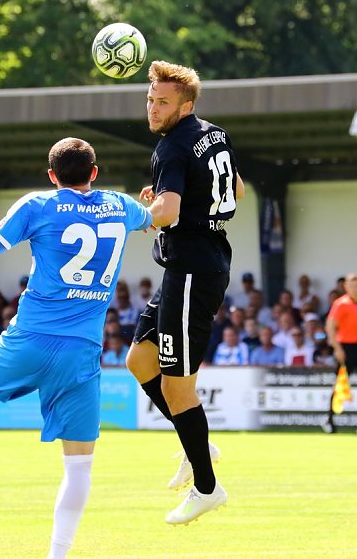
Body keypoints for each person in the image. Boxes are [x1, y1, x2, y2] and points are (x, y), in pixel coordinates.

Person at [0, 138, 151, 559]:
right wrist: (151, 207)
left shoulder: (38, 205)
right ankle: (57, 555)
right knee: (79, 465)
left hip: (29, 337)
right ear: (94, 173)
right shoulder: (120, 206)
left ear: (51, 176)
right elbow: (155, 217)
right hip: (81, 350)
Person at [125, 61, 244, 526]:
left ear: (186, 106)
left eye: (163, 103)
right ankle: (198, 444)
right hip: (192, 265)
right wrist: (168, 197)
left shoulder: (171, 145)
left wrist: (142, 214)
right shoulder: (215, 134)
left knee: (178, 387)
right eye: (150, 100)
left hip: (193, 270)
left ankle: (207, 487)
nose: (153, 109)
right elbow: (235, 190)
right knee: (140, 360)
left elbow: (168, 213)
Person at [323, 273, 357, 434]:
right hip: (345, 347)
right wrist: (337, 348)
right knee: (339, 384)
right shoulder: (340, 304)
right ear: (346, 287)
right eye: (352, 286)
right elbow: (330, 327)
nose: (355, 288)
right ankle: (329, 419)